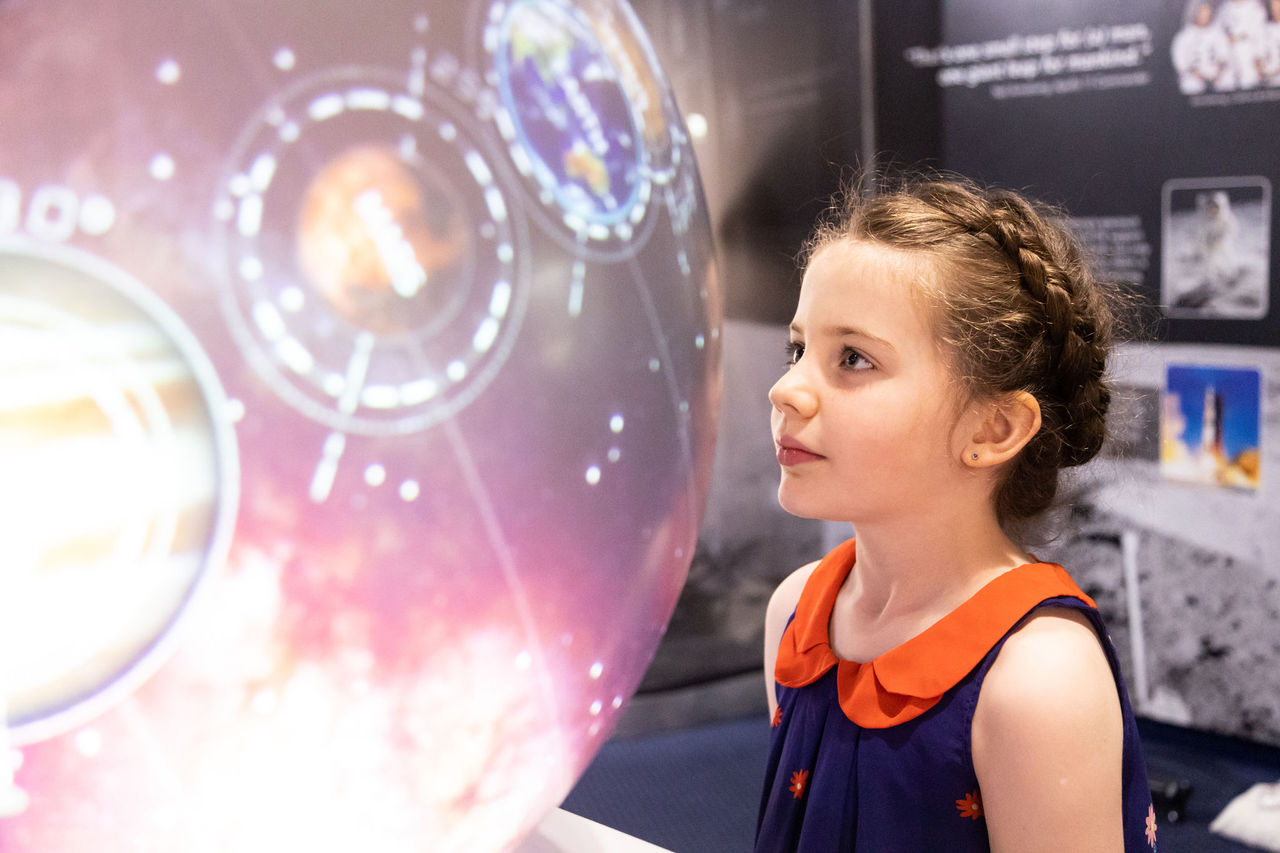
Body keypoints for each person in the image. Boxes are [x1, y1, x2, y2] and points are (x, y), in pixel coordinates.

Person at [755, 176, 1156, 852]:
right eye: (798, 350)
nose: (786, 388)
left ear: (994, 427)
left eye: (852, 358)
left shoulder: (1037, 678)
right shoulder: (796, 613)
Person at [1171, 0, 1233, 93]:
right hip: (1195, 75)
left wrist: (1218, 73)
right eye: (1201, 11)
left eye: (1206, 11)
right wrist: (1197, 74)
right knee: (1190, 85)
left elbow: (1225, 54)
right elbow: (1180, 61)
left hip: (1216, 73)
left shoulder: (1218, 33)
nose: (1204, 15)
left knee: (1227, 80)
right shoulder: (1184, 36)